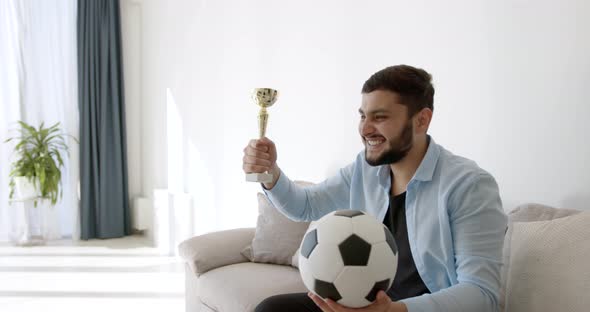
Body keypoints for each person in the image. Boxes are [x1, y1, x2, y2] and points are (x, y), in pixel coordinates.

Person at [243, 65, 507, 312]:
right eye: (363, 116)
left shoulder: (469, 185)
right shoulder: (365, 168)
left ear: (421, 120)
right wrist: (270, 173)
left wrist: (397, 310)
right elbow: (306, 206)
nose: (365, 129)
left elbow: (481, 294)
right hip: (363, 302)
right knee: (271, 309)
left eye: (379, 118)